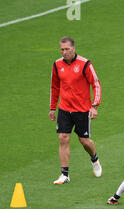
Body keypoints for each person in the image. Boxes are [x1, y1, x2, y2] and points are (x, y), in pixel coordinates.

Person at [49, 36, 102, 184]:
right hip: (65, 109)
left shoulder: (85, 64)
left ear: (73, 48)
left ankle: (94, 159)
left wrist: (94, 106)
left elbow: (96, 84)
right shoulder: (57, 64)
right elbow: (54, 87)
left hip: (82, 110)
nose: (64, 52)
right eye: (62, 49)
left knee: (84, 141)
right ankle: (64, 174)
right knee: (62, 138)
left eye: (67, 49)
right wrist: (53, 108)